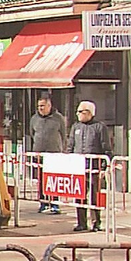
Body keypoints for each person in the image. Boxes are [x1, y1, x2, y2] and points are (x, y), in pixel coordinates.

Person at [66, 101, 111, 232]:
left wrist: (104, 167)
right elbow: (70, 145)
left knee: (94, 196)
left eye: (81, 112)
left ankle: (96, 222)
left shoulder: (99, 127)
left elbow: (106, 148)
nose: (78, 114)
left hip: (94, 167)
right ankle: (81, 222)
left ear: (90, 113)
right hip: (79, 167)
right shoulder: (75, 127)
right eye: (78, 111)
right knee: (79, 196)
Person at [29, 94, 67, 215]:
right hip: (39, 154)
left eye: (43, 106)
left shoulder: (58, 118)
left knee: (53, 179)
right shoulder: (34, 119)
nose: (40, 108)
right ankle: (43, 203)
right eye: (39, 106)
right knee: (41, 180)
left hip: (54, 154)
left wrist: (61, 149)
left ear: (49, 106)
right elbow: (32, 134)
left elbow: (63, 134)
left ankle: (55, 203)